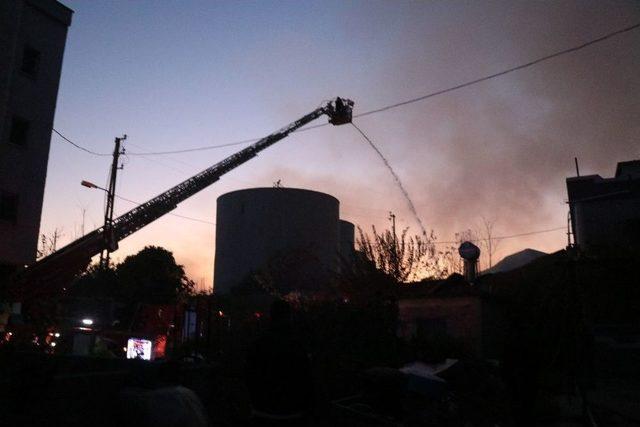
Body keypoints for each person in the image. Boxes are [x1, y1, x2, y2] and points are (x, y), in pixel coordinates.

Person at [246, 299, 314, 426]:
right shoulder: (298, 345)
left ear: (271, 316)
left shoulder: (258, 344)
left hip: (262, 412)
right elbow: (307, 378)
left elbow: (249, 375)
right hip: (292, 413)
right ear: (289, 317)